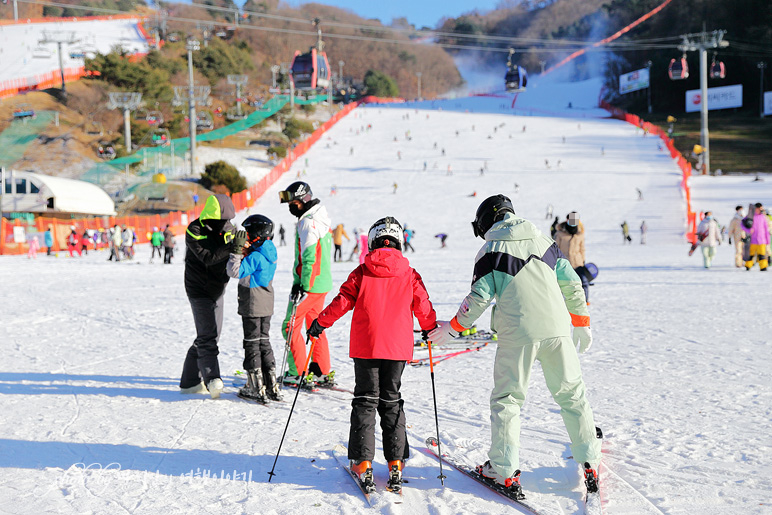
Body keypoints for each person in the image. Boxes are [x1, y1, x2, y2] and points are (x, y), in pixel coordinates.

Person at [428, 195, 600, 497]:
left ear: (485, 223)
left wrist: (453, 329)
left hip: (518, 333)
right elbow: (572, 283)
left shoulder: (490, 250)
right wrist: (582, 322)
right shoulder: (544, 240)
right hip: (557, 330)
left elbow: (478, 298)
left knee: (508, 400)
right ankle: (590, 459)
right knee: (572, 395)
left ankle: (503, 471)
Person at [307, 217, 437, 493]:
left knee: (365, 400)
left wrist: (320, 323)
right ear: (399, 242)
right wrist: (429, 329)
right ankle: (395, 463)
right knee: (391, 401)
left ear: (374, 240)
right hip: (397, 349)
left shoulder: (362, 271)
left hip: (366, 347)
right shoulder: (410, 273)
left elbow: (342, 301)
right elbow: (423, 305)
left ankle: (363, 462)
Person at [179, 193, 238, 399]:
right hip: (198, 289)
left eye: (228, 220)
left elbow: (235, 253)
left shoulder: (230, 229)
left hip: (217, 288)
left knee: (210, 335)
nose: (226, 224)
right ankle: (212, 379)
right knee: (207, 337)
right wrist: (230, 246)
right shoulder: (194, 230)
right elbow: (207, 257)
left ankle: (189, 381)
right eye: (221, 220)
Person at [278, 181, 335, 385]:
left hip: (311, 285)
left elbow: (309, 257)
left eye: (292, 202)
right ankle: (320, 369)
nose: (290, 207)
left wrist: (303, 286)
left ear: (302, 201)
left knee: (289, 326)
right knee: (314, 324)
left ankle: (297, 372)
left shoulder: (307, 223)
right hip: (321, 283)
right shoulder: (320, 217)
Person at [226, 214, 283, 404]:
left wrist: (236, 251)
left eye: (249, 233)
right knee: (264, 342)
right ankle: (270, 383)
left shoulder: (257, 256)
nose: (247, 237)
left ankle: (255, 386)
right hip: (266, 303)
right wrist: (248, 250)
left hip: (252, 303)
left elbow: (235, 271)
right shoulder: (269, 251)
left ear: (257, 234)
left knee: (251, 343)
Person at [554, 212, 589, 302]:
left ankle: (584, 301)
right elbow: (555, 248)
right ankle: (559, 302)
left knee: (583, 282)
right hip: (564, 263)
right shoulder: (560, 234)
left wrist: (583, 260)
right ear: (567, 220)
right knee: (561, 284)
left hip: (577, 263)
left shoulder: (580, 234)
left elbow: (582, 249)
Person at [742, 202, 770, 271]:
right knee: (751, 254)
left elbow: (766, 229)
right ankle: (748, 266)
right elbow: (742, 224)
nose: (759, 210)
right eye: (758, 208)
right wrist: (748, 230)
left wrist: (767, 240)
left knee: (762, 255)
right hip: (752, 240)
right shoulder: (750, 216)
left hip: (762, 240)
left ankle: (763, 267)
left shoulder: (763, 217)